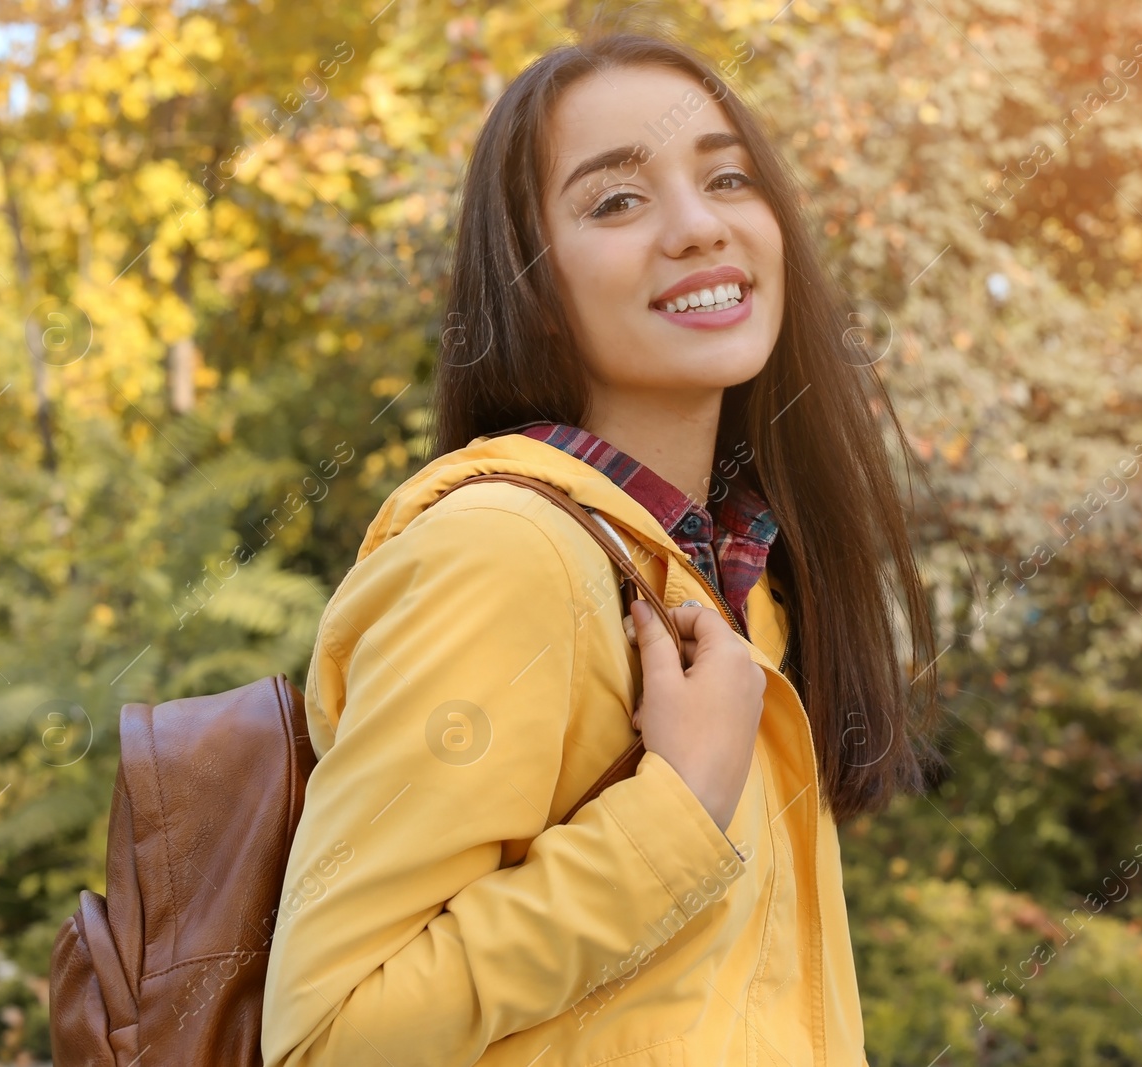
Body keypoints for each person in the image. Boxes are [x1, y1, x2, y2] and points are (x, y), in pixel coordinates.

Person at [261, 27, 940, 1067]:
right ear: (528, 281)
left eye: (727, 177)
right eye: (615, 200)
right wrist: (673, 819)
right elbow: (330, 1030)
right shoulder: (503, 554)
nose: (698, 225)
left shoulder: (731, 576)